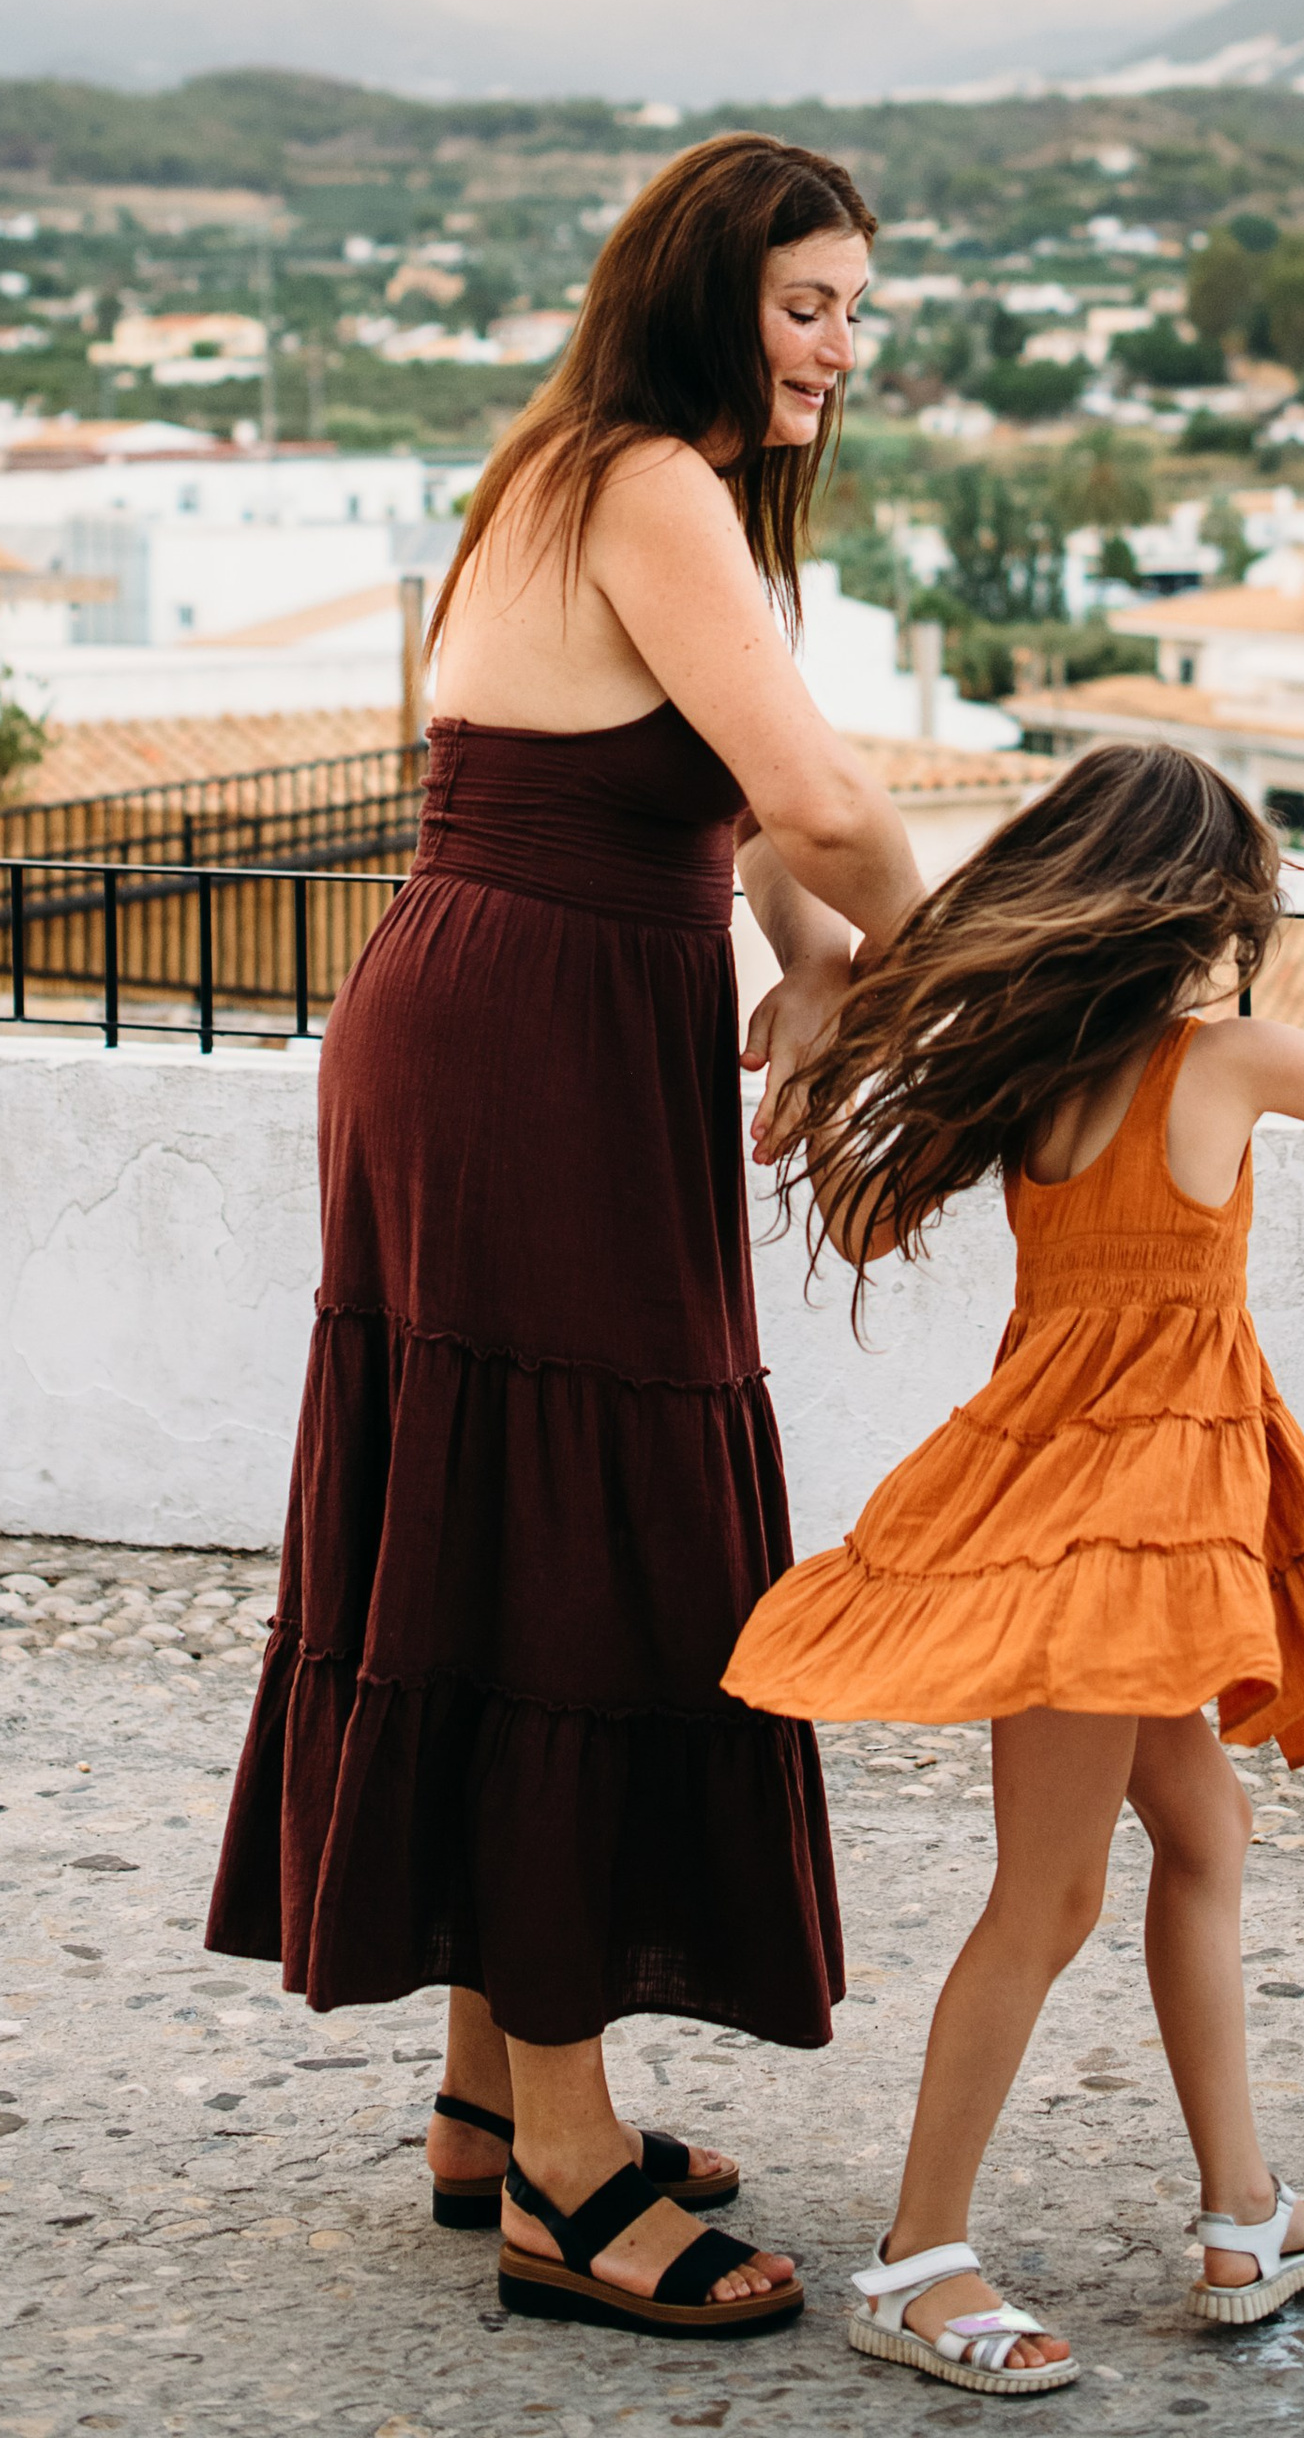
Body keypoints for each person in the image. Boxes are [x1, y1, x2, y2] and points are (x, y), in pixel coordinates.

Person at [207, 130, 925, 2346]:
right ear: (711, 292)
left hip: (496, 1012)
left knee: (484, 1521)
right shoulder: (647, 483)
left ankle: (480, 2097)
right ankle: (569, 2173)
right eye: (807, 305)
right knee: (566, 1545)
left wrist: (808, 966)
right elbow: (817, 798)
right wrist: (995, 987)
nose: (836, 351)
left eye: (856, 316)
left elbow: (726, 806)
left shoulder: (579, 467)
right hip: (527, 1040)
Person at [724, 745, 1304, 2395]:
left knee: (1204, 1827)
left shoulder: (1039, 1079)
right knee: (1051, 1891)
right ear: (1199, 913)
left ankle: (1247, 2216)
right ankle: (917, 2258)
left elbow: (863, 1229)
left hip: (1106, 1514)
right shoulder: (1210, 1065)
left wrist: (823, 976)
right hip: (1114, 1533)